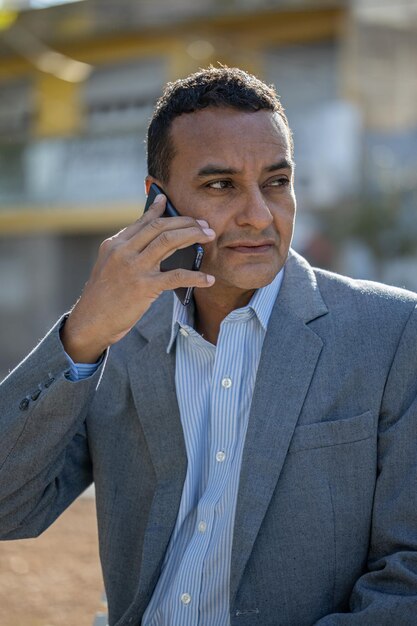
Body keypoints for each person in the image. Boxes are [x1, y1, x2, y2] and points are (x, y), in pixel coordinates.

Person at [1, 66, 417, 626]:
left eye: (275, 182)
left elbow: (408, 581)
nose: (259, 215)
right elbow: (9, 507)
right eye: (221, 185)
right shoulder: (115, 343)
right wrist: (82, 336)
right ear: (159, 201)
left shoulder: (391, 333)